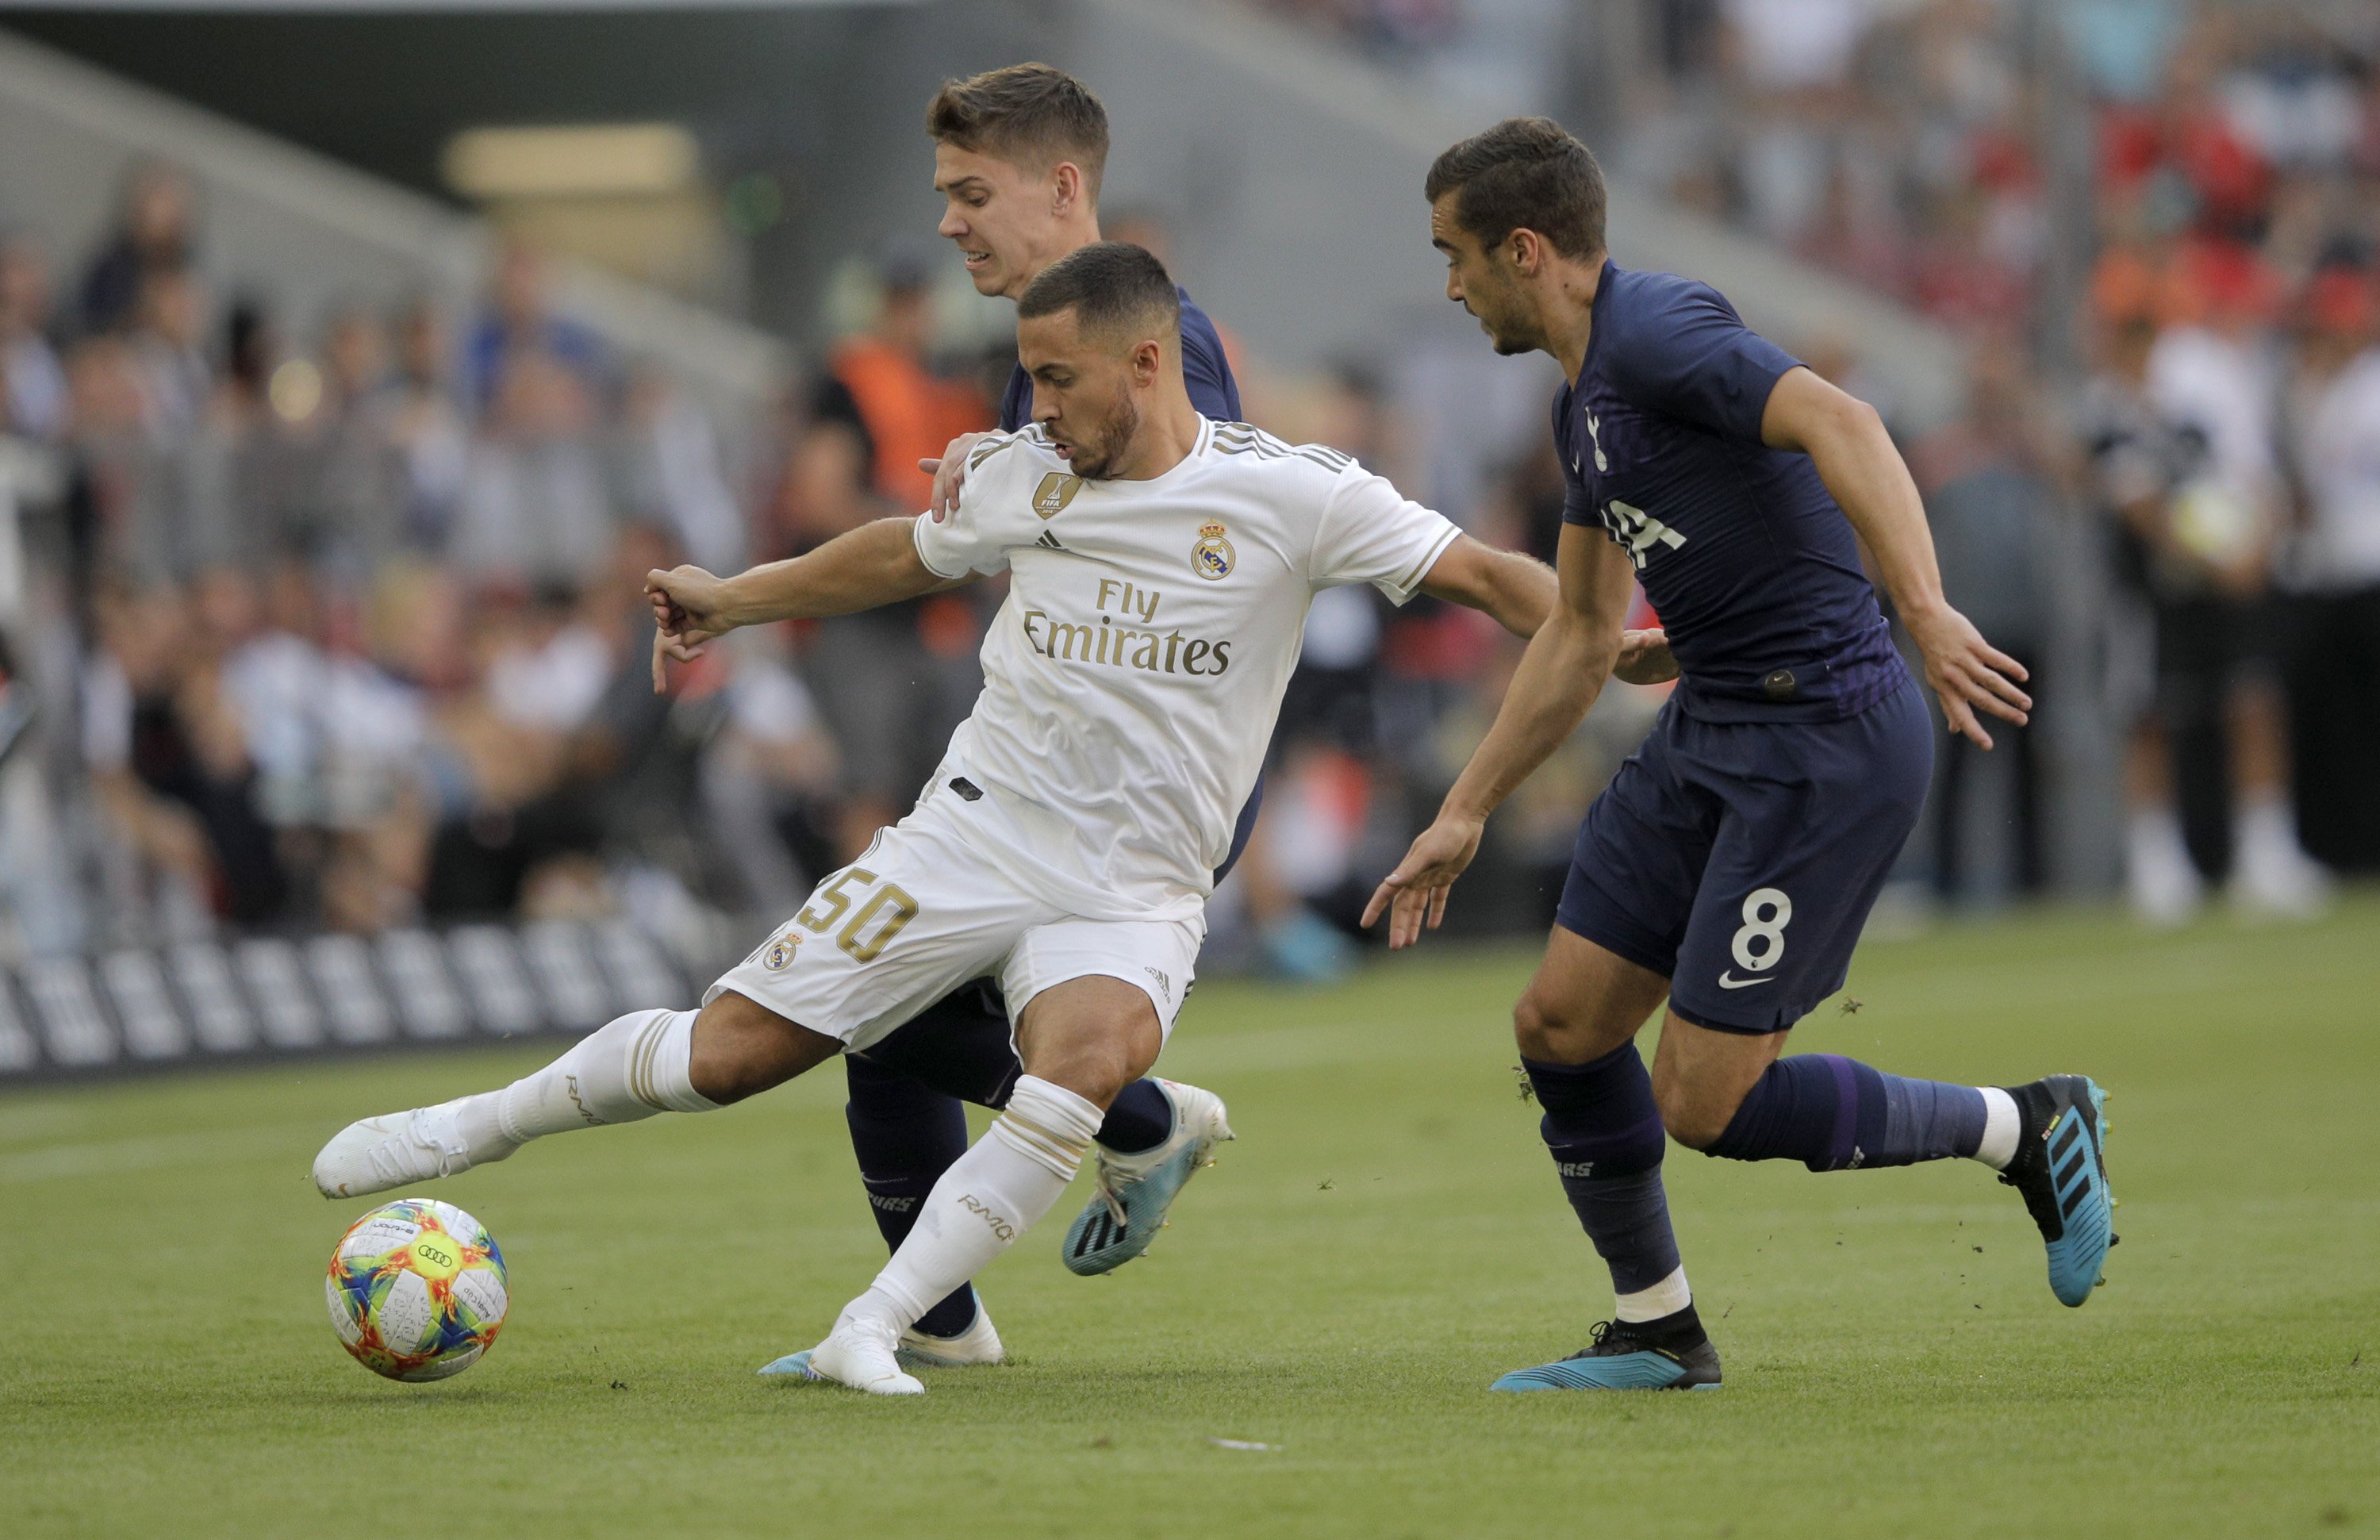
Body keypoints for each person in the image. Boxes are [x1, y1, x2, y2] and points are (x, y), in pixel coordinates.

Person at [312, 240, 1557, 1396]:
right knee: (729, 1057)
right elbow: (901, 555)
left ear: (1147, 361)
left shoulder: (1296, 495)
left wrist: (1632, 632)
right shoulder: (1028, 473)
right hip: (972, 834)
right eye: (1027, 379)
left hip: (1131, 884)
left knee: (1081, 1057)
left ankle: (878, 1319)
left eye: (1058, 380)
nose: (1037, 409)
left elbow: (1500, 580)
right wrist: (735, 599)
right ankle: (468, 1128)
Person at [1363, 118, 2114, 1392]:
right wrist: (1467, 807)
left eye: (1457, 255)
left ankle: (2029, 1123)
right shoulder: (1583, 400)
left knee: (1704, 1102)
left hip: (1823, 738)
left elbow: (1849, 423)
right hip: (1714, 721)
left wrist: (1923, 608)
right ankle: (1661, 1331)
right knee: (1558, 1021)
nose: (1451, 284)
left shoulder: (1654, 333)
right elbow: (1588, 628)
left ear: (1526, 249)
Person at [791, 62, 1255, 1371]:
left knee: (876, 991)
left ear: (1063, 189)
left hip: (1128, 786)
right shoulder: (1036, 356)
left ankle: (1131, 1119)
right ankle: (942, 1318)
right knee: (881, 1018)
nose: (949, 225)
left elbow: (1199, 544)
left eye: (969, 193)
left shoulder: (1162, 342)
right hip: (1049, 758)